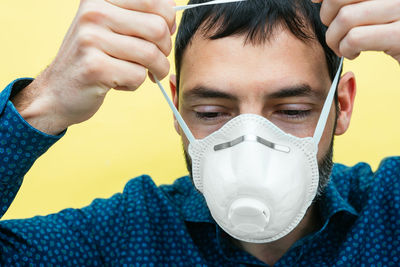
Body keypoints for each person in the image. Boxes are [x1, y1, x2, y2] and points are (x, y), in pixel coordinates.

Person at [0, 0, 399, 265]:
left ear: (341, 106)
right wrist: (43, 102)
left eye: (293, 110)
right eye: (210, 112)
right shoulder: (126, 235)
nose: (250, 147)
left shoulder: (389, 213)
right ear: (177, 108)